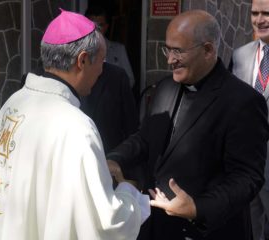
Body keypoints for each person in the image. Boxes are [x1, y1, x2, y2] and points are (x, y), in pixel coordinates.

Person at [0, 9, 149, 240]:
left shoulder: (14, 103)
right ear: (82, 60)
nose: (102, 70)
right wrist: (131, 194)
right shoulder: (76, 126)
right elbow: (106, 222)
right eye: (101, 61)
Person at [107, 10, 269, 240]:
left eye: (178, 51)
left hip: (208, 231)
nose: (169, 59)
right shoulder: (165, 87)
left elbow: (247, 177)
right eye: (168, 49)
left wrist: (198, 208)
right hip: (155, 227)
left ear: (208, 50)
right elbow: (145, 137)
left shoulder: (243, 101)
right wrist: (115, 158)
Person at [230, 0, 269, 239]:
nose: (259, 19)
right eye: (255, 13)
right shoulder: (240, 55)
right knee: (251, 225)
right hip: (247, 162)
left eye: (266, 13)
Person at [85, 5, 135, 88]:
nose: (96, 30)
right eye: (92, 25)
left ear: (106, 27)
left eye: (100, 25)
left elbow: (130, 80)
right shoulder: (78, 50)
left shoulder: (119, 50)